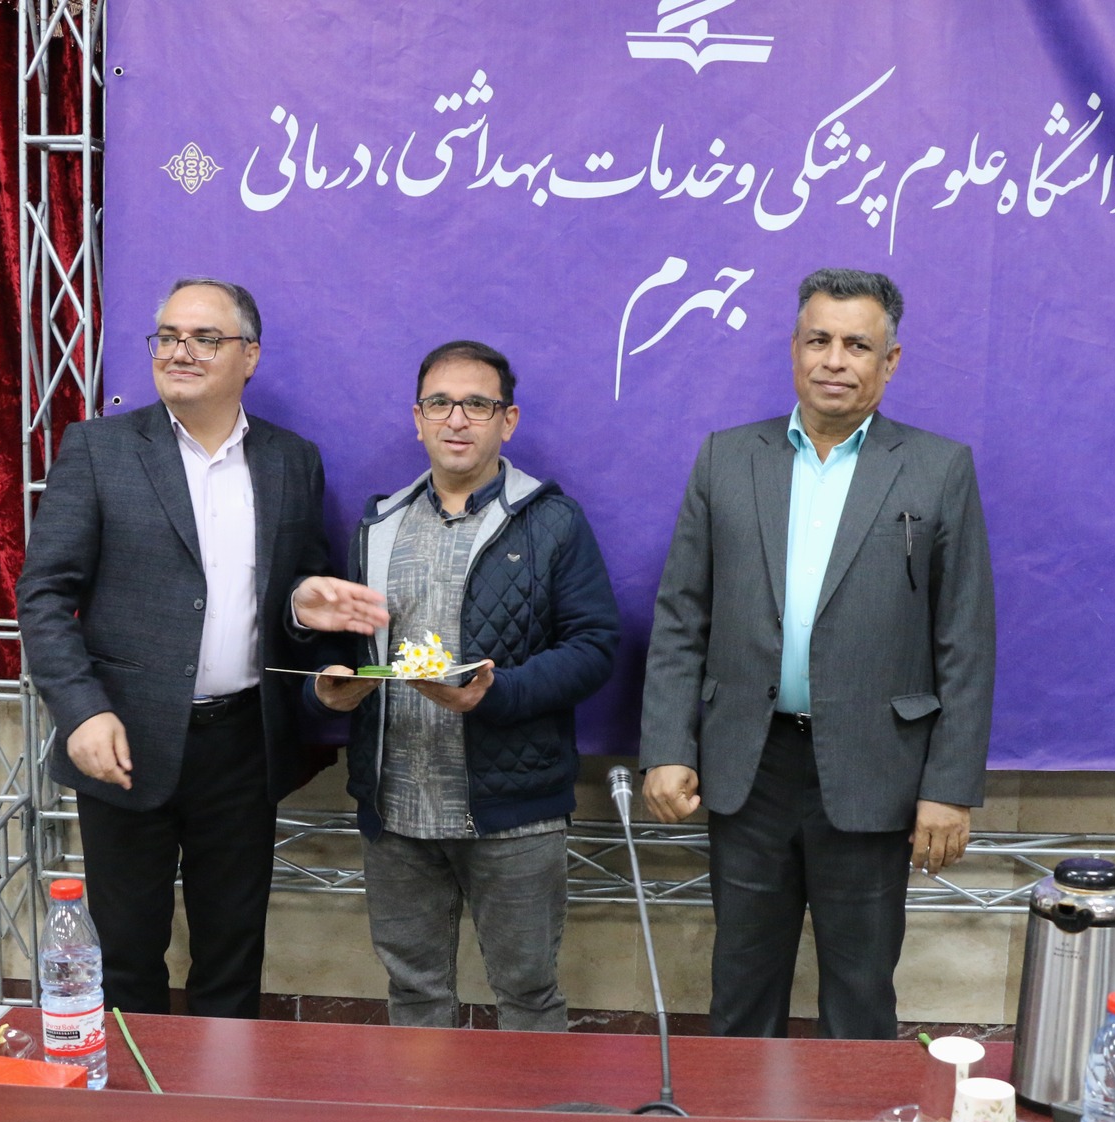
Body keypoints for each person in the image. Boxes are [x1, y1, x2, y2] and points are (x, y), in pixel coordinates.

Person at [639, 267, 996, 1040]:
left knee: (861, 1000)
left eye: (857, 345)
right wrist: (666, 746)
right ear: (794, 348)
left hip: (876, 770)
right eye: (819, 340)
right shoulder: (727, 458)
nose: (835, 360)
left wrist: (949, 788)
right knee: (740, 993)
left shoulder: (938, 468)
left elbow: (965, 642)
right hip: (749, 768)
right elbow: (680, 618)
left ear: (889, 361)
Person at [17, 277, 387, 1019]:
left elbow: (294, 600)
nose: (179, 351)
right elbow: (44, 595)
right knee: (125, 958)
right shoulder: (100, 449)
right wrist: (81, 710)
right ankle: (133, 1095)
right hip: (124, 741)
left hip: (242, 746)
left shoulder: (292, 461)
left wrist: (302, 608)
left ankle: (224, 1091)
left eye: (204, 338)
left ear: (249, 356)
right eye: (168, 336)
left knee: (232, 956)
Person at [309, 339, 619, 1030]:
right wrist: (328, 688)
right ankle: (426, 1107)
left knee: (528, 994)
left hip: (514, 813)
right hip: (396, 811)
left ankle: (531, 1109)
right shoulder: (378, 523)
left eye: (477, 404)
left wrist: (496, 693)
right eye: (440, 403)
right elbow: (346, 644)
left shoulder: (552, 521)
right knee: (414, 995)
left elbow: (594, 647)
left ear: (507, 421)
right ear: (416, 418)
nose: (456, 419)